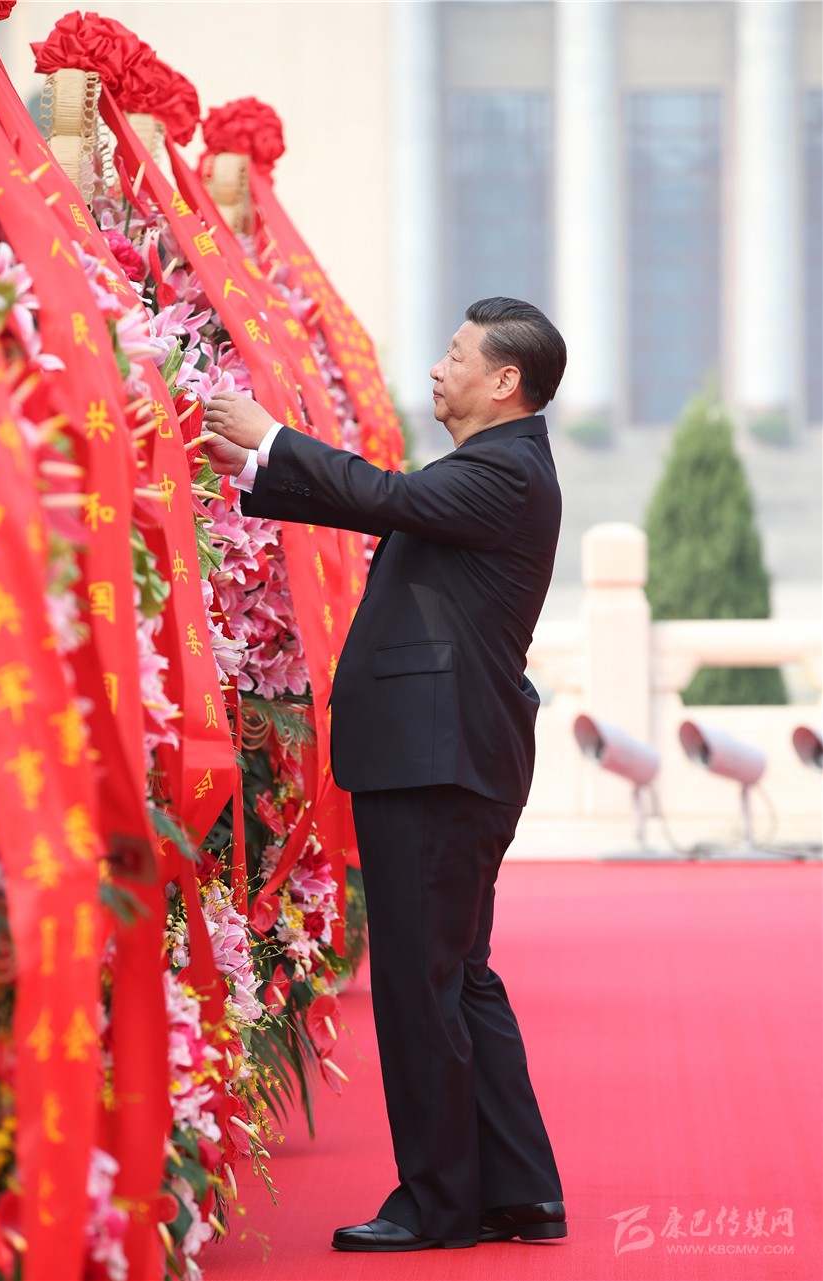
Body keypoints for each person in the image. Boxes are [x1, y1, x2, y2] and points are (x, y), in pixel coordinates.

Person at [204, 296, 567, 1254]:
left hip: (437, 759)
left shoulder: (506, 472)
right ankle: (520, 1190)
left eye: (457, 355)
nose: (438, 369)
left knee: (422, 982)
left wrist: (272, 437)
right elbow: (384, 501)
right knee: (458, 975)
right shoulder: (502, 469)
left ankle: (436, 1203)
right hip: (449, 754)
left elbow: (387, 497)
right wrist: (253, 468)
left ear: (505, 381)